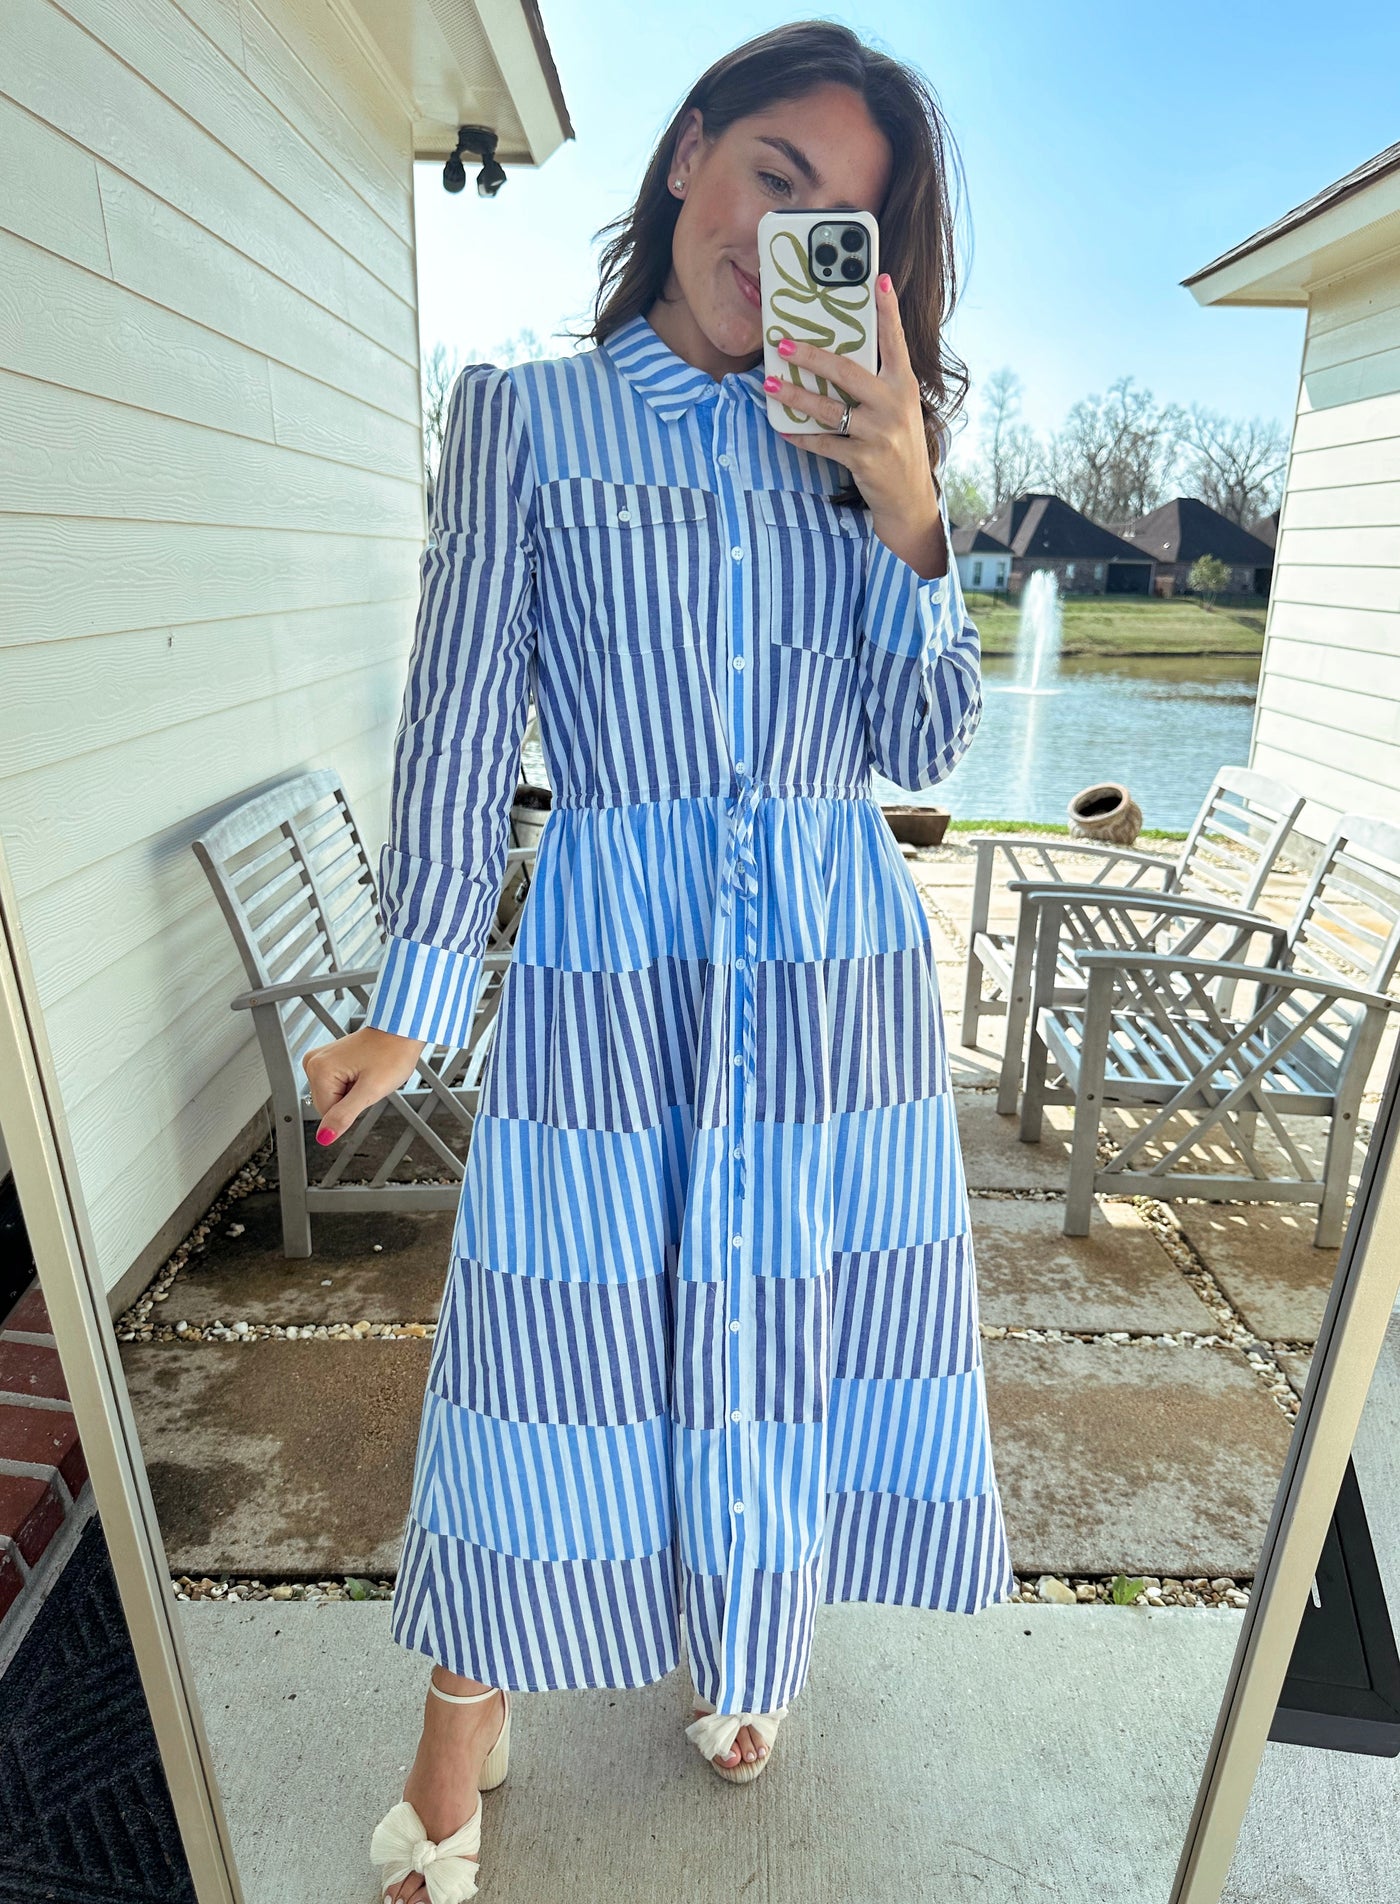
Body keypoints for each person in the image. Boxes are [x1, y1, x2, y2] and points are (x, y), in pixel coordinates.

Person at [304, 21, 1015, 1902]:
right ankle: (468, 1716)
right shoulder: (528, 406)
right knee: (555, 1344)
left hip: (831, 958)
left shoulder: (871, 426)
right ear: (691, 153)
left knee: (778, 1324)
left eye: (846, 220)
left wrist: (908, 498)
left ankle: (747, 1639)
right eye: (777, 179)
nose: (788, 233)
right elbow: (457, 717)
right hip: (614, 941)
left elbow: (922, 743)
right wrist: (418, 995)